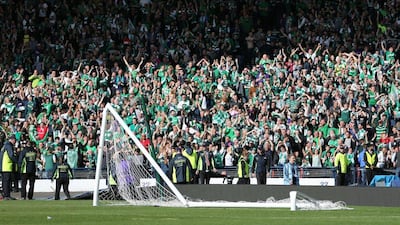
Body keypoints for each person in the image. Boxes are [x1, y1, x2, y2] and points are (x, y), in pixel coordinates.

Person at [0, 135, 18, 200]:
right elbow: (11, 155)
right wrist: (16, 161)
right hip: (7, 166)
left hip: (3, 166)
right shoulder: (9, 146)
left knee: (5, 182)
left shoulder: (4, 146)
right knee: (7, 182)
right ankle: (7, 195)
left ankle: (5, 195)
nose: (15, 141)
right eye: (15, 140)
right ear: (12, 139)